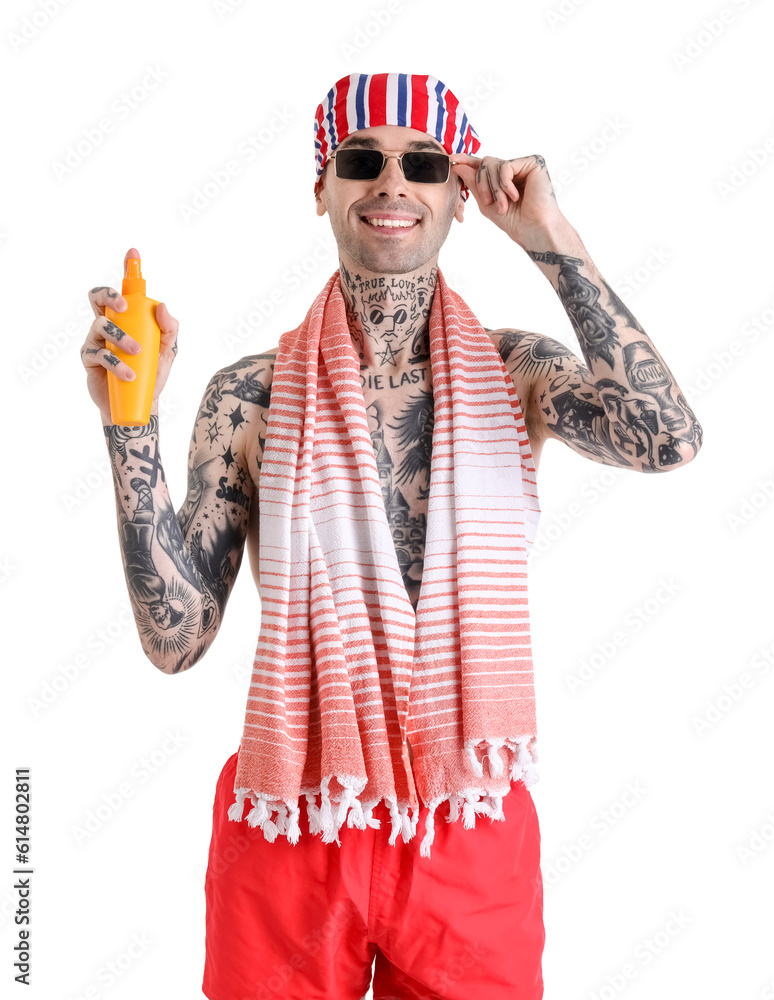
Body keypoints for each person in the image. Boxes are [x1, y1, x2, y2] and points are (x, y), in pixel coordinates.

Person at [81, 72, 702, 1000]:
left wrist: (551, 239)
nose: (392, 183)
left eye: (423, 162)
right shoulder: (247, 394)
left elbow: (668, 439)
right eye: (362, 159)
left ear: (459, 192)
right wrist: (131, 424)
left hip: (466, 814)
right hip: (294, 815)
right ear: (322, 187)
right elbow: (176, 641)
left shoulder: (516, 371)